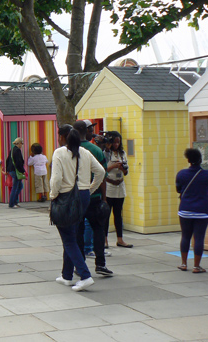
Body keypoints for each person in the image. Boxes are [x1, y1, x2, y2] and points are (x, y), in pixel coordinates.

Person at [50, 125, 105, 291]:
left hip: (66, 197)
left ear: (64, 138)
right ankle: (67, 275)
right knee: (71, 235)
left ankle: (85, 275)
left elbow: (56, 179)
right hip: (83, 197)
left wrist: (53, 196)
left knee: (68, 238)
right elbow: (101, 172)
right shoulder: (86, 153)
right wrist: (90, 189)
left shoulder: (59, 153)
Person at [73, 120, 112, 276]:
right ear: (86, 131)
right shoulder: (95, 150)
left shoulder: (68, 150)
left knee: (78, 231)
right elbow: (102, 175)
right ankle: (100, 264)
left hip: (75, 197)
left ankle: (80, 264)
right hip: (93, 197)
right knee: (98, 229)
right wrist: (104, 197)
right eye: (91, 129)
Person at [175, 148, 208, 273]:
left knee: (185, 236)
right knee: (199, 238)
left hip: (185, 209)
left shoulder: (181, 174)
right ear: (200, 159)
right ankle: (197, 266)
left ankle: (183, 263)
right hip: (202, 210)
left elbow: (178, 189)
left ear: (188, 160)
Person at [103, 131, 132, 248]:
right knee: (106, 214)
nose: (116, 144)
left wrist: (123, 168)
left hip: (120, 186)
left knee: (118, 214)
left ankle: (120, 239)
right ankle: (104, 240)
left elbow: (126, 172)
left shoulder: (122, 153)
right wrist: (114, 166)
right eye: (114, 142)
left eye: (118, 142)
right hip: (109, 186)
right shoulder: (106, 154)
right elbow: (102, 170)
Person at [6, 137, 25, 208]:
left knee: (19, 186)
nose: (22, 145)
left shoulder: (12, 150)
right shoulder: (17, 150)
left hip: (11, 170)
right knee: (16, 187)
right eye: (21, 144)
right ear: (19, 143)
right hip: (16, 170)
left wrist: (7, 169)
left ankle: (15, 201)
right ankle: (12, 203)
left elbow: (7, 160)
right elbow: (18, 162)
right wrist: (22, 170)